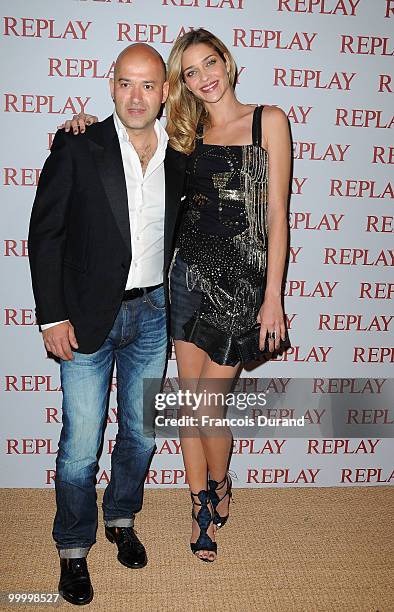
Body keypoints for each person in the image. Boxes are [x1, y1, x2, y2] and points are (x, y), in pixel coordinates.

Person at [64, 28, 291, 564]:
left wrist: (273, 296)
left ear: (227, 63)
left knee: (210, 406)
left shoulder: (269, 121)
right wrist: (76, 125)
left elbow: (279, 216)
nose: (203, 77)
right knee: (190, 406)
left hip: (243, 286)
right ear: (179, 84)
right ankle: (201, 505)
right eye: (190, 72)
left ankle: (221, 479)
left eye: (209, 63)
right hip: (187, 279)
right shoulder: (183, 133)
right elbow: (122, 138)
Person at [28, 43, 186, 606]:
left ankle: (121, 516)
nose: (136, 96)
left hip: (152, 313)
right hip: (86, 315)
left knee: (141, 433)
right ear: (110, 84)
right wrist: (52, 315)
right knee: (80, 442)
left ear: (165, 92)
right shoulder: (78, 144)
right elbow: (45, 235)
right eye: (126, 83)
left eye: (148, 85)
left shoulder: (182, 155)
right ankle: (73, 548)